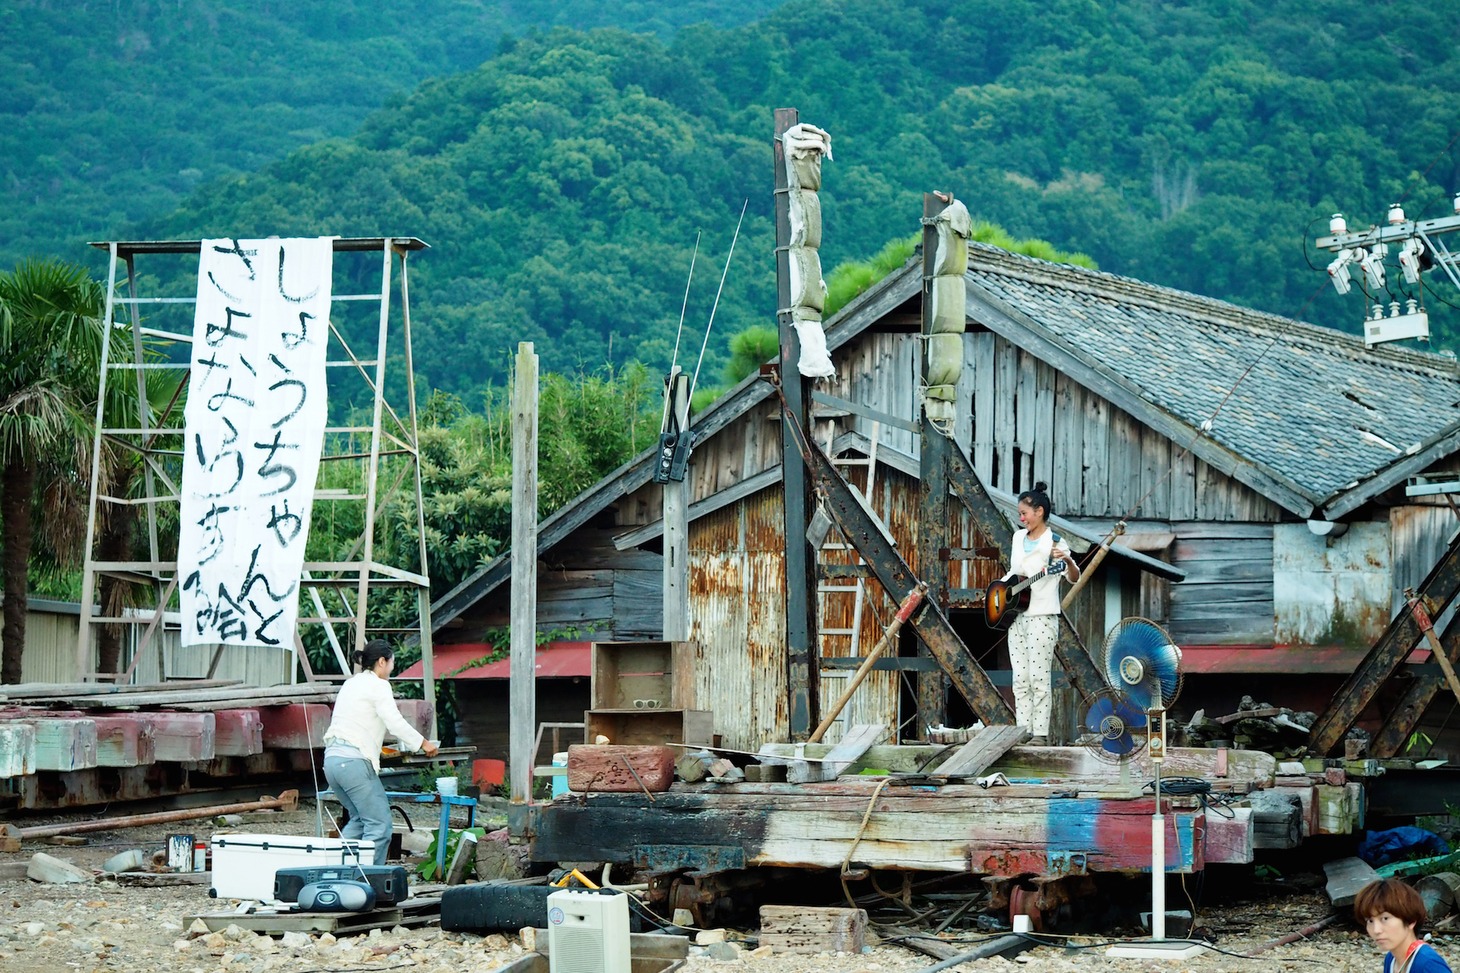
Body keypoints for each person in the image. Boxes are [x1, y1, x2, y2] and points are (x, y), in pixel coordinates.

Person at [322, 639, 439, 866]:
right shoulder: (379, 685)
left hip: (332, 762)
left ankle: (336, 872)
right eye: (391, 663)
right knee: (379, 825)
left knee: (359, 819)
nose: (392, 669)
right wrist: (423, 743)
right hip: (354, 763)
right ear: (382, 662)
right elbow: (394, 723)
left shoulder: (351, 683)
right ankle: (368, 881)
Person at [1001, 482, 1079, 746]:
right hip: (1017, 616)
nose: (1021, 518)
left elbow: (1073, 577)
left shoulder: (1055, 542)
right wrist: (998, 593)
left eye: (1024, 513)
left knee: (1038, 677)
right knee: (1020, 678)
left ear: (1040, 511)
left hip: (1042, 617)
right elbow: (1014, 575)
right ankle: (1023, 730)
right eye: (1020, 514)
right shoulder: (1016, 538)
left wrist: (1067, 561)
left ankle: (1040, 734)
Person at [1354, 878, 1451, 973]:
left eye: (1385, 919)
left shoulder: (1428, 965)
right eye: (1370, 921)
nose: (1376, 930)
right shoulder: (1391, 959)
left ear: (1411, 920)